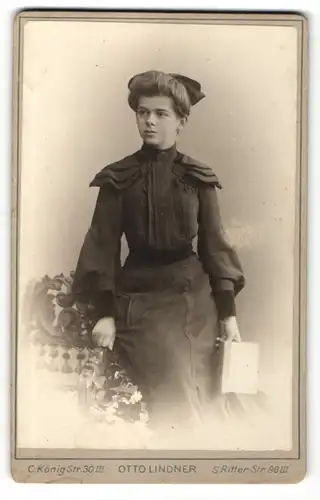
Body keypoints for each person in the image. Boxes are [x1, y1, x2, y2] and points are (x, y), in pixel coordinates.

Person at [72, 70, 245, 434]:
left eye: (161, 114)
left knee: (205, 382)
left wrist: (228, 315)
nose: (149, 121)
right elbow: (102, 246)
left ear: (181, 121)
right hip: (139, 294)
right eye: (142, 112)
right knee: (173, 374)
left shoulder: (198, 179)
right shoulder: (118, 178)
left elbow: (215, 245)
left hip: (192, 294)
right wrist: (105, 313)